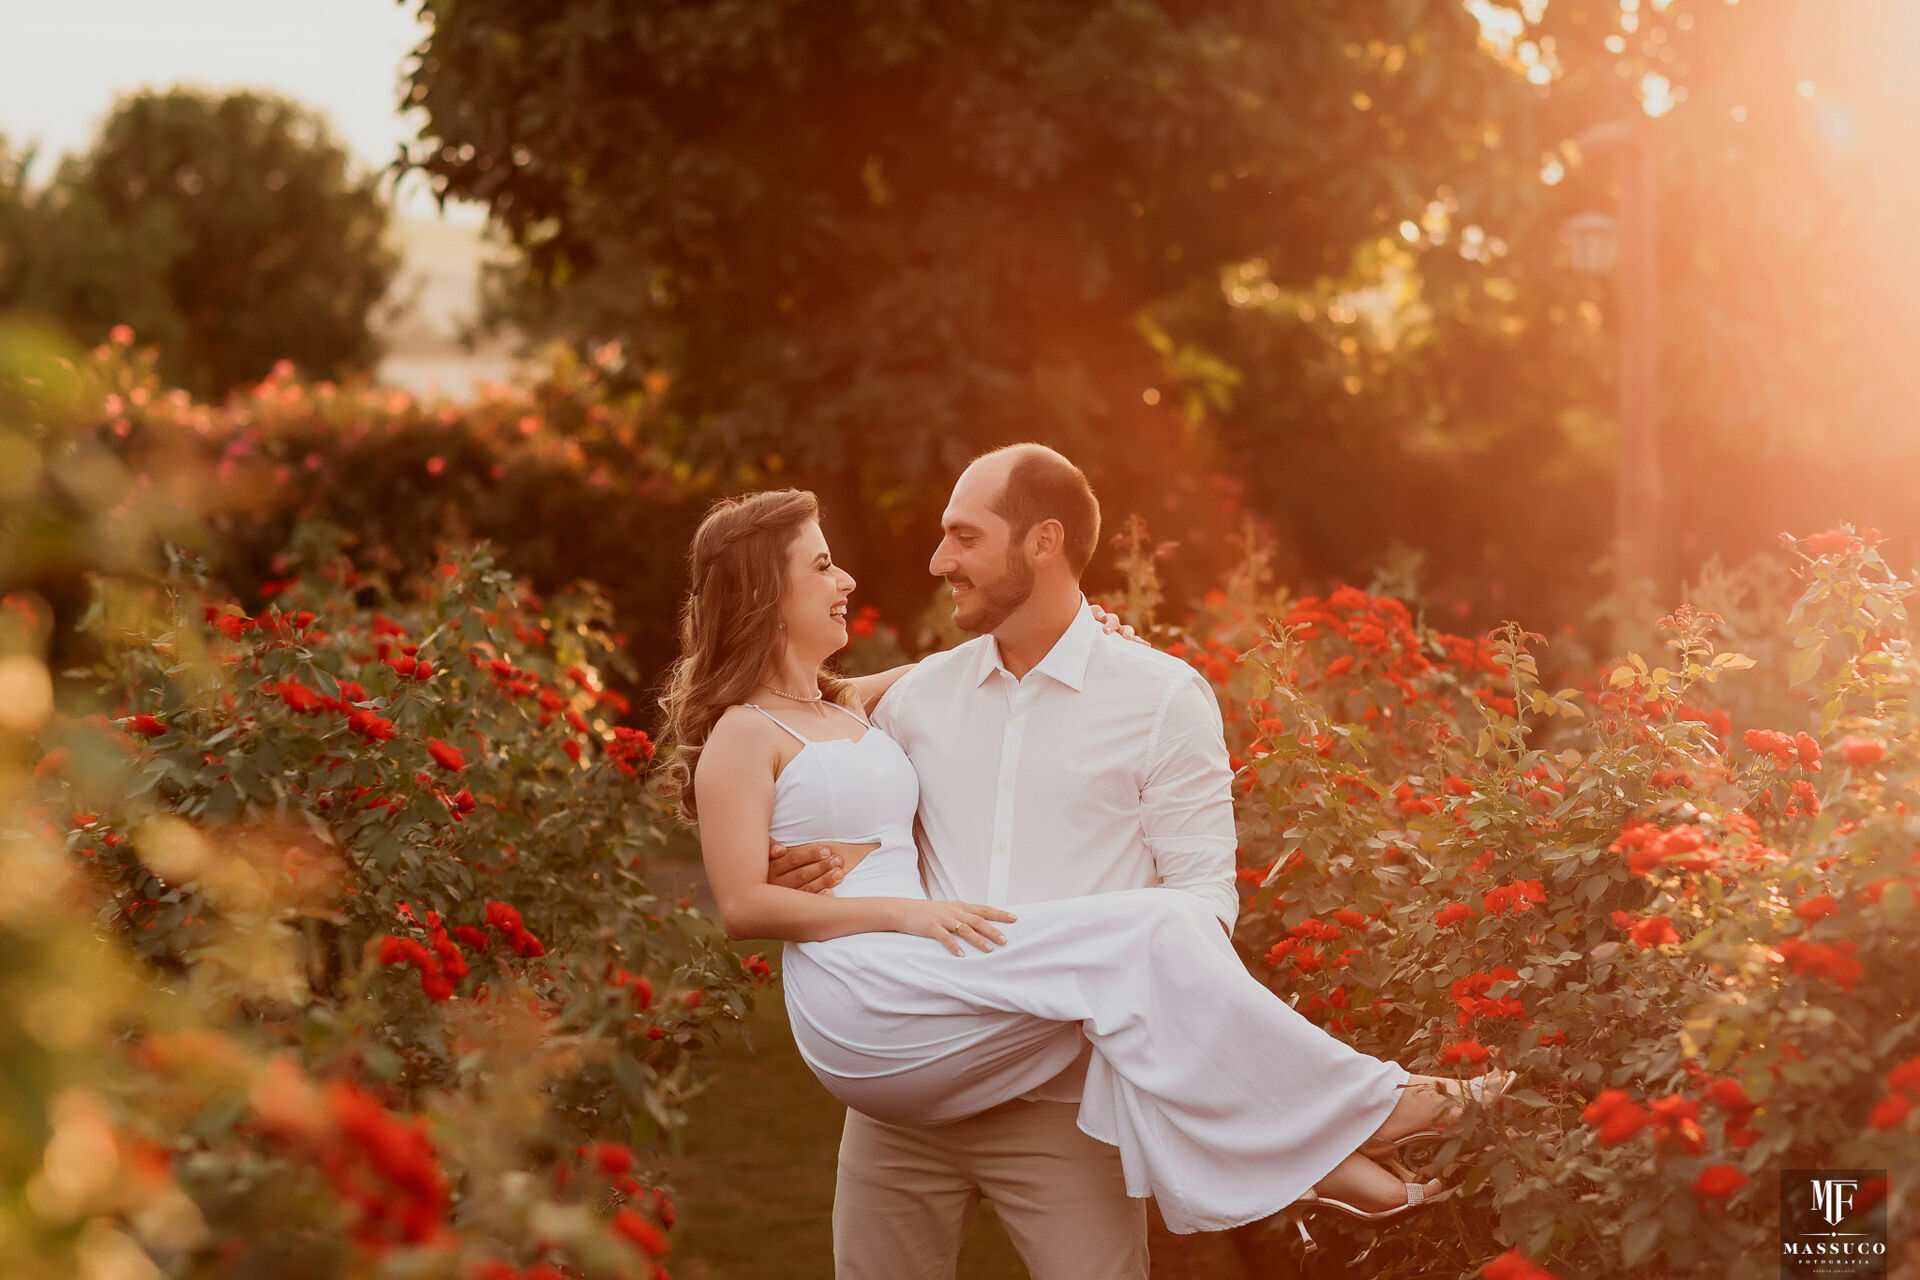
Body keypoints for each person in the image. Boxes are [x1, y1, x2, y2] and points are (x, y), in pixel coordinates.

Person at [658, 459, 1512, 1277]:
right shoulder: (909, 702)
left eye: (963, 536)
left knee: (1167, 926)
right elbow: (772, 829)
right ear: (770, 591)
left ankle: (1330, 1147)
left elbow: (1204, 900)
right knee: (1150, 934)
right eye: (824, 564)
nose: (932, 561)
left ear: (1043, 543)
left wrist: (1088, 644)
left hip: (1053, 1092)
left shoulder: (1153, 696)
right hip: (905, 1060)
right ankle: (1366, 1117)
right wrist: (863, 886)